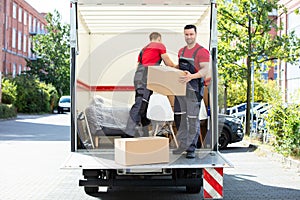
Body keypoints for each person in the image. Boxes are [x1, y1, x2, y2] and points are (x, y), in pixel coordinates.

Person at [124, 32, 176, 138]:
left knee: (144, 104)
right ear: (159, 39)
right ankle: (128, 133)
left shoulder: (143, 49)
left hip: (138, 77)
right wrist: (177, 67)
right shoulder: (159, 45)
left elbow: (139, 64)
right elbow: (168, 62)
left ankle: (145, 133)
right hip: (145, 77)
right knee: (140, 104)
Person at [172, 24, 210, 158]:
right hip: (181, 90)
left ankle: (191, 148)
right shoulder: (181, 51)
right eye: (186, 34)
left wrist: (191, 76)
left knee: (192, 119)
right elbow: (180, 67)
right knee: (179, 118)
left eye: (191, 34)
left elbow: (205, 70)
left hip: (194, 90)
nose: (189, 37)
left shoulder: (202, 51)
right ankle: (182, 145)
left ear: (195, 34)